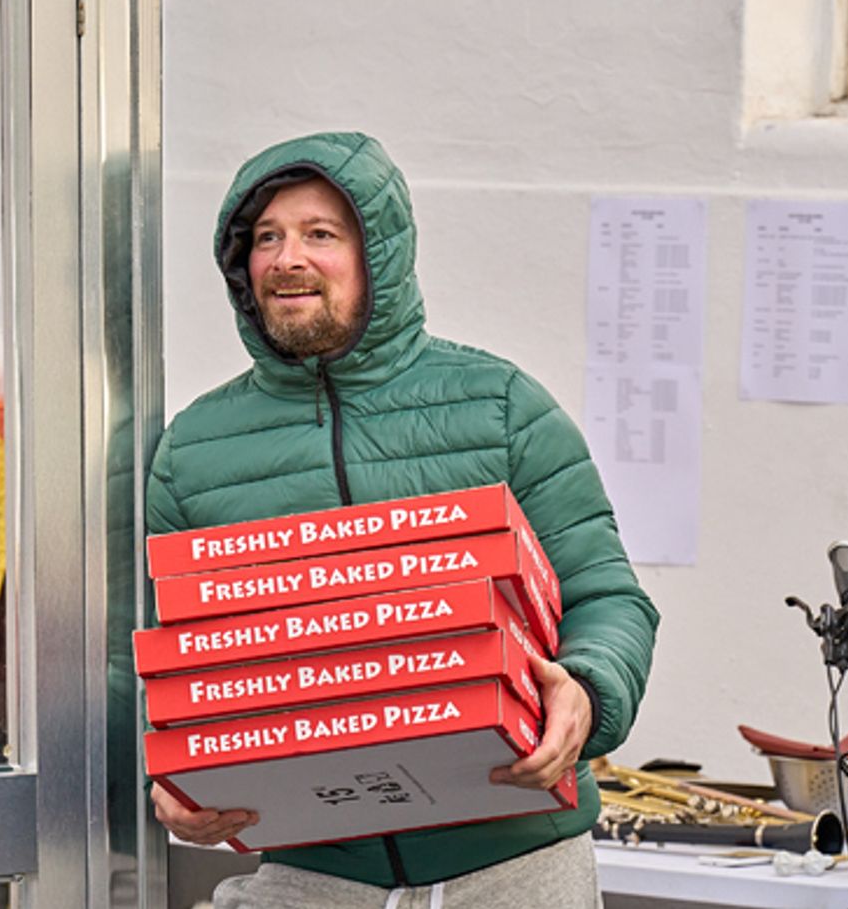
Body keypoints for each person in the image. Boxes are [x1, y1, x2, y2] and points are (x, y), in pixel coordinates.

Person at [145, 131, 659, 908]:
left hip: (516, 868)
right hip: (313, 874)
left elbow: (608, 596)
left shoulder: (503, 407)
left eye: (321, 233)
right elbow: (161, 665)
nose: (288, 258)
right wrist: (169, 773)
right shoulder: (193, 452)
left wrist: (587, 689)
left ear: (377, 252)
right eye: (266, 238)